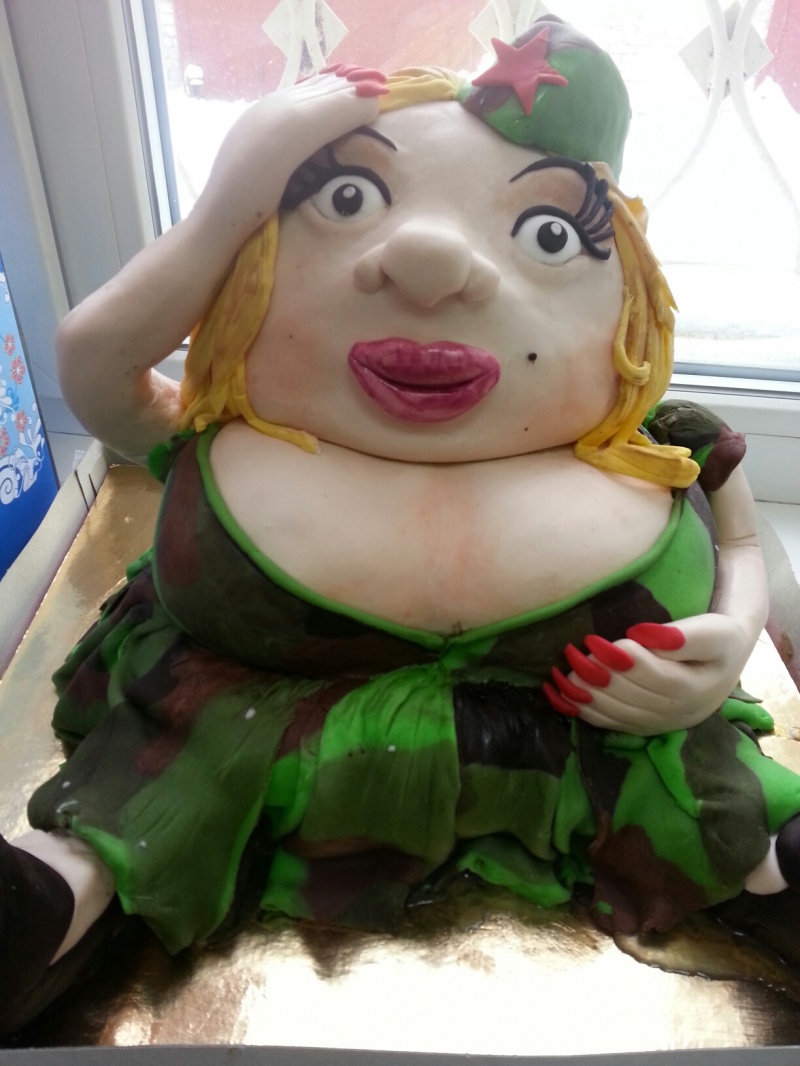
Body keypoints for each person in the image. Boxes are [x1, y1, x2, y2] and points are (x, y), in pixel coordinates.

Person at [2, 16, 799, 1035]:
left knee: (712, 810)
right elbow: (97, 364)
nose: (428, 260)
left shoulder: (663, 447)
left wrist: (729, 639)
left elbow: (742, 547)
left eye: (549, 233)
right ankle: (58, 894)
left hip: (589, 741)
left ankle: (771, 874)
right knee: (152, 800)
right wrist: (233, 198)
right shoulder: (224, 426)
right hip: (246, 731)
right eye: (347, 199)